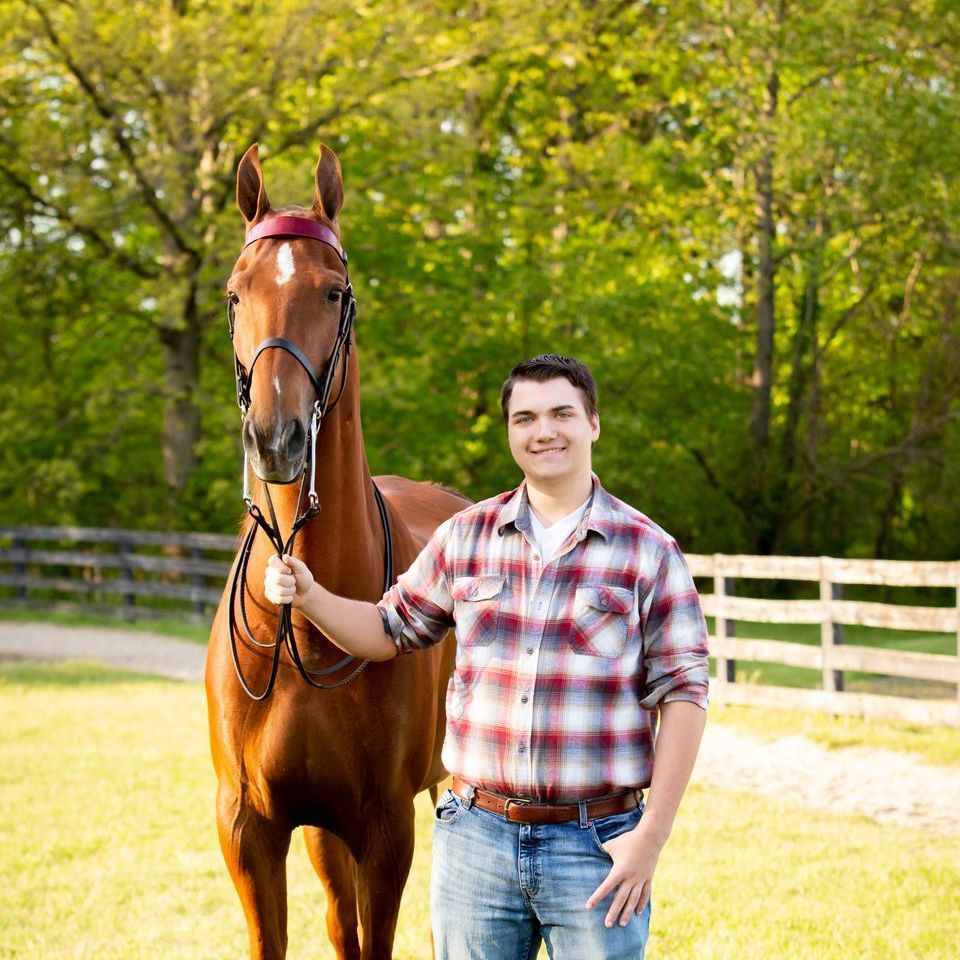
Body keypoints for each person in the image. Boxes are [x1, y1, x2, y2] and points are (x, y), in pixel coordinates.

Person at [265, 354, 709, 959]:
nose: (543, 431)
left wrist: (651, 836)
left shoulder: (648, 552)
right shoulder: (466, 538)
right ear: (510, 432)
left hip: (596, 845)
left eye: (562, 414)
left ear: (594, 424)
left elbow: (684, 695)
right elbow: (386, 629)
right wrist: (311, 595)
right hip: (476, 840)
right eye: (525, 417)